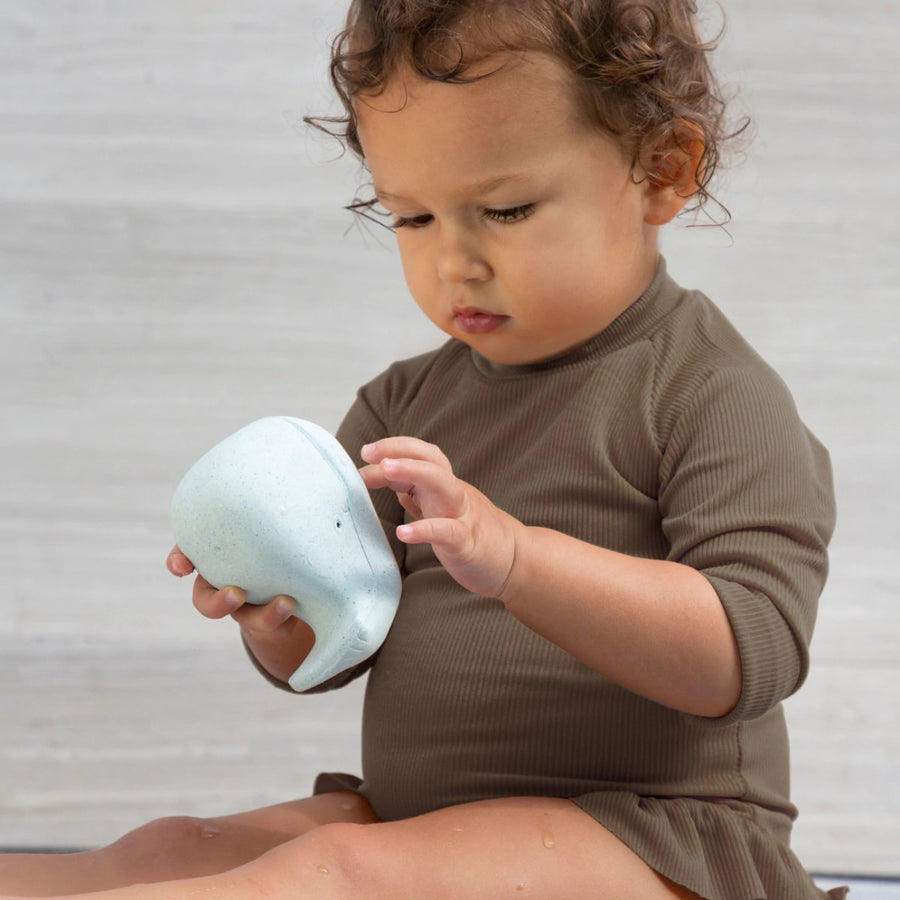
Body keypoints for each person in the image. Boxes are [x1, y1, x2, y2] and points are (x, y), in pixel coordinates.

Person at [0, 1, 849, 898]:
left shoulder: (708, 392)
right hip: (419, 821)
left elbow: (749, 651)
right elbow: (344, 639)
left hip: (660, 839)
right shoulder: (405, 400)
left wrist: (515, 558)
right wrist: (277, 609)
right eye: (409, 219)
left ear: (663, 170)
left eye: (506, 209)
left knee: (335, 874)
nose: (454, 263)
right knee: (169, 850)